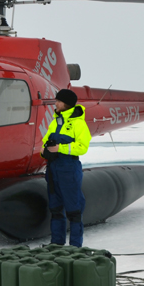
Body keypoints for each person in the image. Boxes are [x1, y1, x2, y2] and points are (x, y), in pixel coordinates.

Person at [41, 88, 92, 247]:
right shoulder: (55, 122)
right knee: (55, 208)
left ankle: (75, 246)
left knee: (74, 210)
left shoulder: (78, 123)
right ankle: (56, 244)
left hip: (69, 168)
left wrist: (61, 148)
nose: (55, 103)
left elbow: (82, 147)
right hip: (53, 168)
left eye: (58, 101)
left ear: (66, 104)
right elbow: (45, 140)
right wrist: (45, 150)